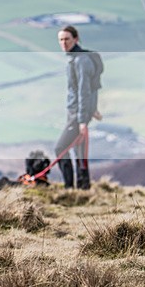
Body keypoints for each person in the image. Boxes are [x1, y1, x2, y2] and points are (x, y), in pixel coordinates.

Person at [55, 25, 102, 190]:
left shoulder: (81, 61)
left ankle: (69, 188)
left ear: (75, 39)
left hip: (77, 113)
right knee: (79, 150)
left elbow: (85, 90)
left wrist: (82, 120)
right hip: (76, 111)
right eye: (61, 40)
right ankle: (83, 187)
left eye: (67, 39)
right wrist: (92, 109)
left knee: (60, 148)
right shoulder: (74, 59)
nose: (64, 43)